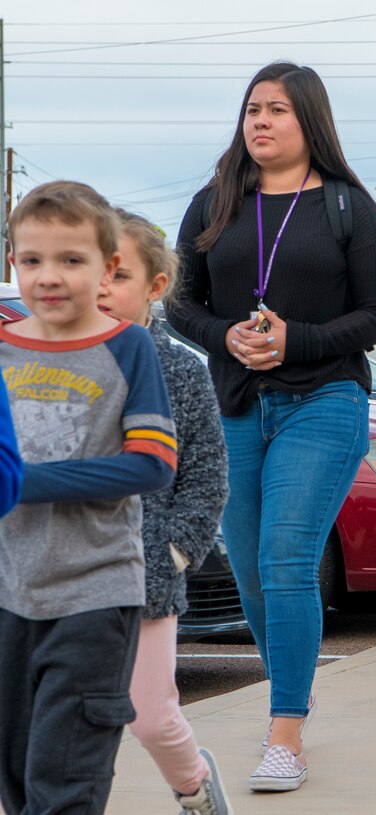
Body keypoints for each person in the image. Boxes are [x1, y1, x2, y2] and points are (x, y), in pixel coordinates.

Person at [169, 62, 376, 791]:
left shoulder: (348, 207)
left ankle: (285, 731)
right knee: (252, 574)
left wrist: (297, 339)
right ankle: (292, 692)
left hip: (324, 400)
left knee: (287, 559)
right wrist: (223, 335)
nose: (260, 122)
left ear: (310, 122)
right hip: (234, 404)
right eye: (252, 110)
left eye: (277, 111)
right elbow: (179, 301)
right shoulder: (214, 203)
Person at [0, 181, 176, 814]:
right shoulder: (2, 349)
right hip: (9, 595)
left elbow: (153, 464)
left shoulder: (128, 348)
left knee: (63, 785)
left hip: (95, 596)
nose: (51, 276)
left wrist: (24, 484)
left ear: (106, 268)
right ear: (12, 262)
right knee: (17, 786)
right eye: (32, 260)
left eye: (71, 260)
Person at [99, 210, 232, 814]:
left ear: (154, 287)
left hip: (146, 574)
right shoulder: (49, 365)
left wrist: (173, 551)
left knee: (151, 719)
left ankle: (194, 787)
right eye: (89, 267)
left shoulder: (178, 369)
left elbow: (206, 475)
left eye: (118, 273)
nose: (99, 285)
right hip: (58, 576)